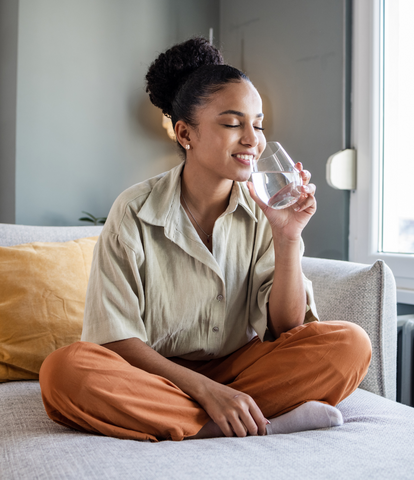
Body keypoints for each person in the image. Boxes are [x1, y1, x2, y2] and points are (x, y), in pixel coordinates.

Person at [39, 37, 372, 442]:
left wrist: (288, 238)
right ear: (185, 134)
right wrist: (205, 390)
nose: (253, 139)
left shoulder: (262, 209)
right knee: (64, 371)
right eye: (233, 123)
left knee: (350, 344)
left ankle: (201, 421)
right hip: (152, 375)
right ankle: (238, 421)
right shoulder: (133, 211)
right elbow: (117, 341)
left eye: (259, 124)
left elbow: (287, 327)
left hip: (240, 368)